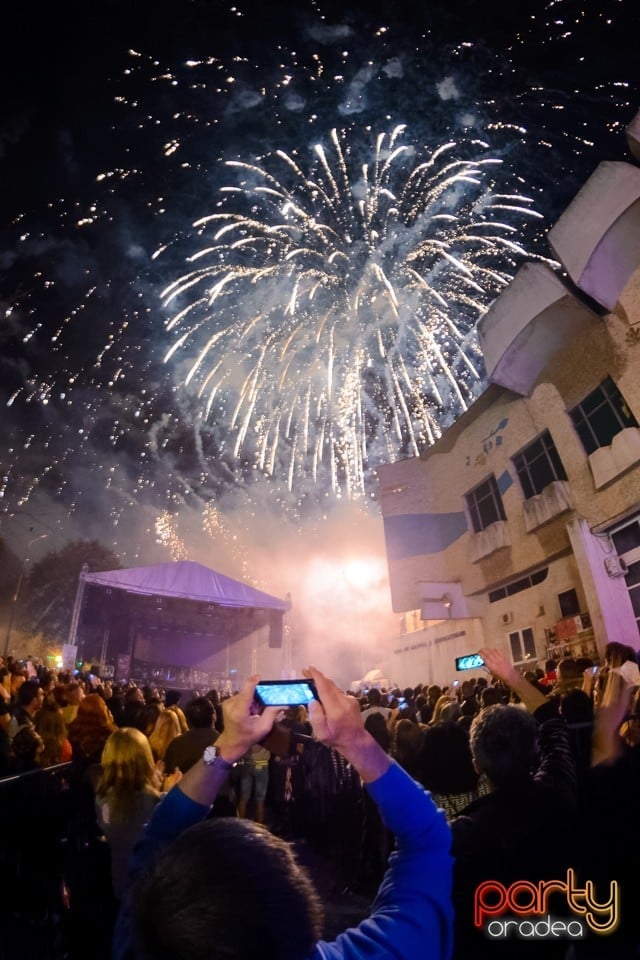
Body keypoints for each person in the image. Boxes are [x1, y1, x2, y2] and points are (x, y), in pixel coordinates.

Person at [113, 667, 453, 960]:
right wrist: (356, 742)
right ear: (307, 911)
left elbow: (159, 833)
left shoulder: (140, 940)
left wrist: (225, 748)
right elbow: (427, 839)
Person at [450, 647, 577, 959]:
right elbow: (552, 724)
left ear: (476, 763)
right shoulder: (557, 789)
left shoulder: (463, 833)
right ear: (534, 752)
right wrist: (513, 678)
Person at [96, 728, 165, 900]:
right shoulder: (155, 800)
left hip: (121, 876)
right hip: (155, 878)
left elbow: (107, 830)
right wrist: (169, 793)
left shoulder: (102, 797)